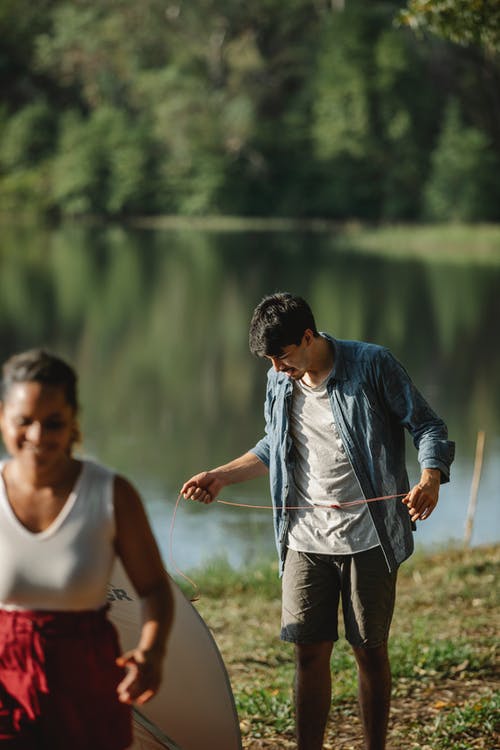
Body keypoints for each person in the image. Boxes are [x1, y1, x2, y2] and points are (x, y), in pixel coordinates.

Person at [182, 292, 455, 750]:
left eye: (282, 357)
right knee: (307, 653)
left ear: (308, 337)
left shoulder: (372, 364)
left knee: (369, 652)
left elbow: (427, 425)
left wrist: (430, 478)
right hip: (304, 539)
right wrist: (220, 477)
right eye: (269, 360)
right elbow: (275, 444)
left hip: (369, 539)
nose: (275, 369)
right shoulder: (280, 381)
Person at [0, 348, 174, 750]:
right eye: (24, 421)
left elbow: (154, 590)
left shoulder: (111, 493)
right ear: (3, 418)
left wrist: (152, 652)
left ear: (73, 419)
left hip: (87, 678)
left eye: (54, 422)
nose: (38, 437)